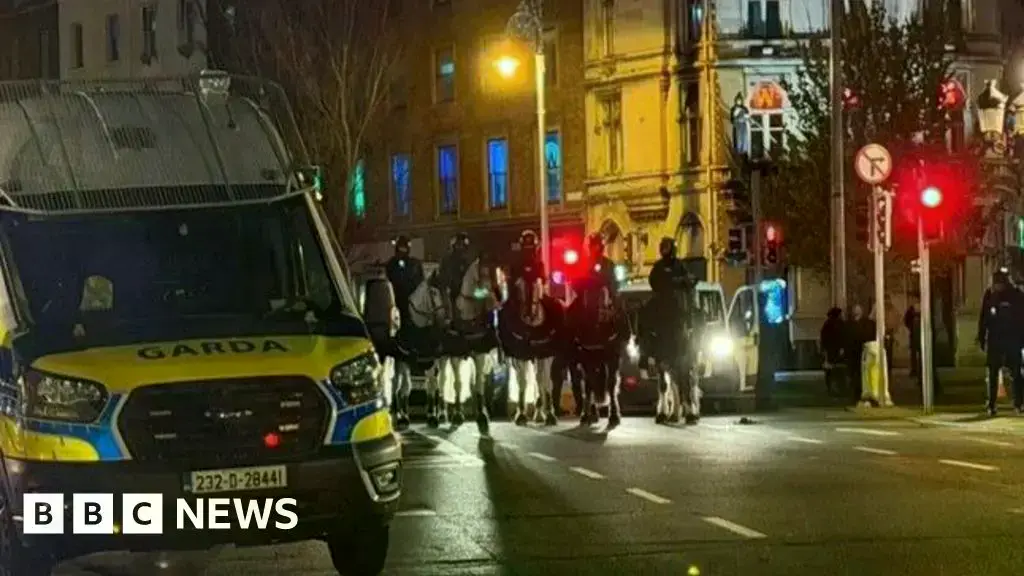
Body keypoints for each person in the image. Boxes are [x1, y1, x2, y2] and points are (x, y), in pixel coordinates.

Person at [976, 270, 1024, 416]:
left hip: (1009, 339)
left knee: (1014, 372)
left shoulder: (1015, 295)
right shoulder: (992, 295)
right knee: (996, 373)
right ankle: (994, 403)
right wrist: (982, 336)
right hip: (1001, 339)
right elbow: (984, 318)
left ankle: (1017, 402)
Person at [384, 235, 424, 331]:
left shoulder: (415, 264)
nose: (403, 250)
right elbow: (391, 280)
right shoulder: (392, 263)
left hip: (414, 301)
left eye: (405, 248)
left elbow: (421, 281)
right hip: (398, 300)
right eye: (401, 248)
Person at [845, 304, 875, 405]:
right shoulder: (850, 324)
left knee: (862, 374)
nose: (857, 312)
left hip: (862, 351)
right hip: (853, 353)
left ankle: (861, 393)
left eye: (858, 310)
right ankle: (856, 393)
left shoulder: (866, 323)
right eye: (855, 310)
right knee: (855, 374)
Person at [437, 232, 473, 311]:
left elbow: (469, 275)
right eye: (459, 245)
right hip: (450, 291)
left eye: (463, 245)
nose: (461, 247)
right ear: (454, 245)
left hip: (463, 291)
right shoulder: (447, 259)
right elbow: (443, 276)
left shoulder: (466, 261)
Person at [819, 307, 845, 396]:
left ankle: (831, 388)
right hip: (835, 351)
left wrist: (823, 350)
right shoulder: (838, 324)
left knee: (830, 371)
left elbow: (823, 339)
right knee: (837, 369)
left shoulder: (827, 324)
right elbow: (842, 336)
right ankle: (837, 388)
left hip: (830, 350)